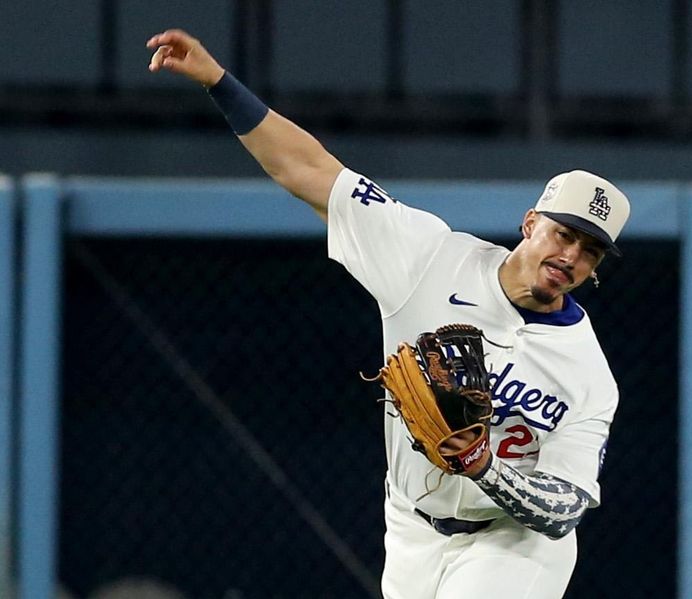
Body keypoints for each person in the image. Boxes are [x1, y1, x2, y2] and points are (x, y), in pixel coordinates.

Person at [147, 29, 631, 599]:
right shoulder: (429, 256)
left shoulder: (589, 374)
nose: (570, 255)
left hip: (514, 544)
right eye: (564, 233)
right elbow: (310, 171)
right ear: (531, 223)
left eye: (590, 249)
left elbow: (563, 511)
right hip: (410, 524)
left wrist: (483, 467)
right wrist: (218, 82)